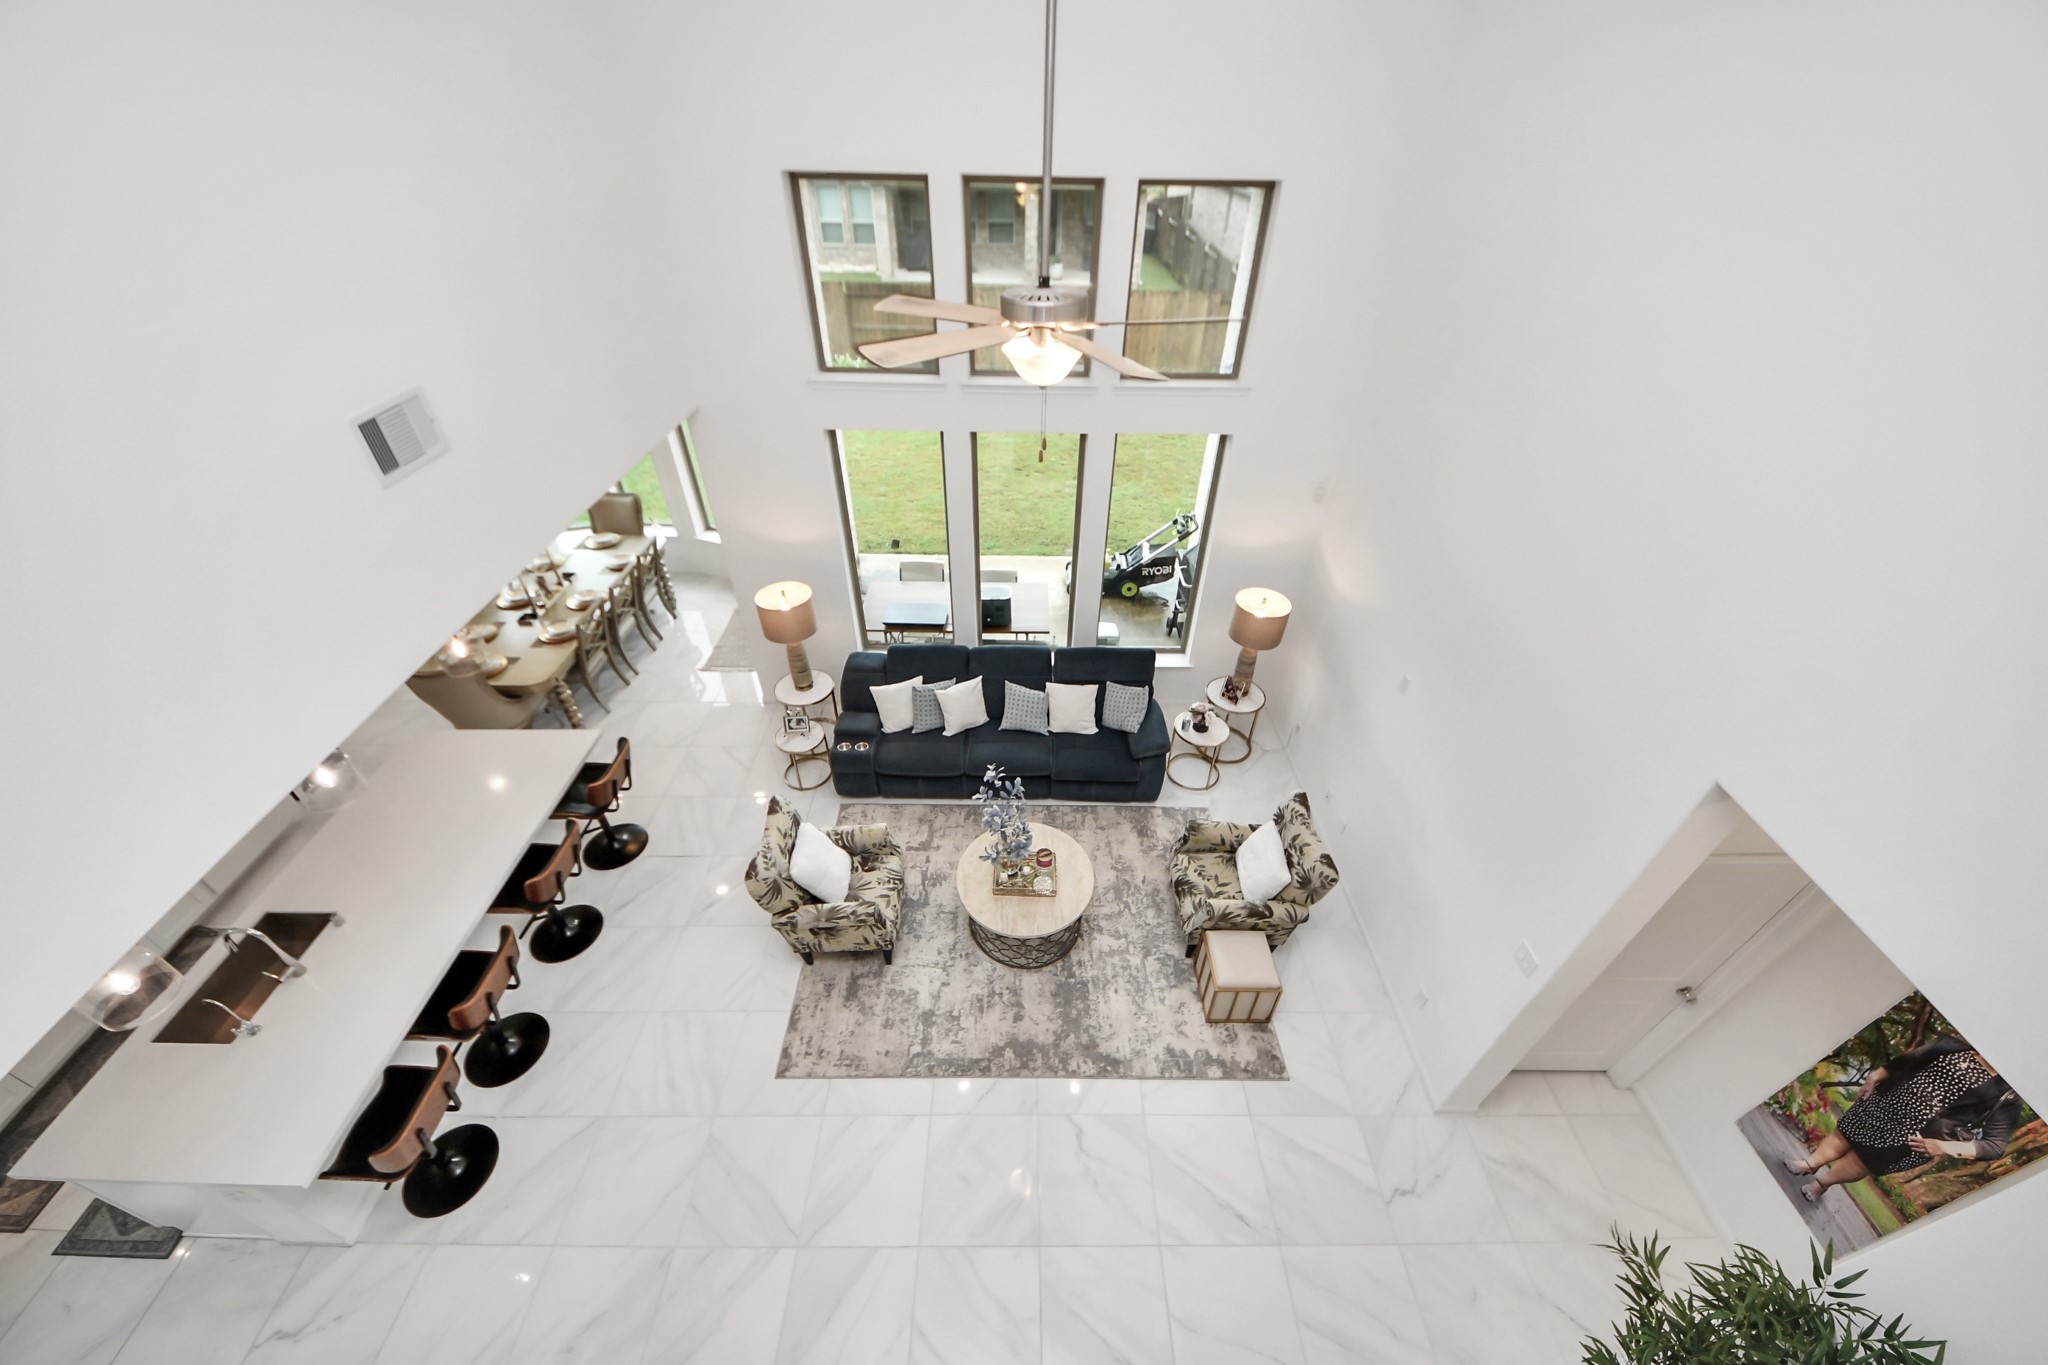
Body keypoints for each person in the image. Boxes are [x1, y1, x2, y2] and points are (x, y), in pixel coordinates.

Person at [1787, 1035, 2024, 1203]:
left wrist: (1944, 1146)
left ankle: (1823, 1183)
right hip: (1887, 1100)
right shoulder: (1954, 1045)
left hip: (1919, 1134)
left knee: (1864, 1160)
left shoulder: (2007, 1094)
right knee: (1845, 1134)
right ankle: (1810, 1164)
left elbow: (1994, 1145)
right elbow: (1909, 1061)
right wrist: (1875, 1077)